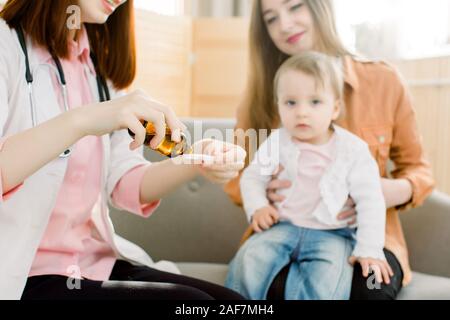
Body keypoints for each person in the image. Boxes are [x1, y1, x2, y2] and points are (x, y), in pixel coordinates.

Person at [0, 0, 245, 300]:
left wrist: (196, 161)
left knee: (233, 303)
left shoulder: (96, 69)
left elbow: (125, 182)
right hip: (22, 273)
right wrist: (81, 121)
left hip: (89, 264)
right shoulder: (6, 46)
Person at [224, 0, 435, 300]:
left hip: (366, 236)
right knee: (267, 285)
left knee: (367, 291)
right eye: (271, 18)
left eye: (294, 6)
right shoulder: (260, 97)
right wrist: (263, 194)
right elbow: (236, 174)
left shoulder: (382, 80)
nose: (284, 24)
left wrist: (386, 191)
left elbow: (420, 170)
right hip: (284, 228)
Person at [226, 51, 392, 300]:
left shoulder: (353, 149)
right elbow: (252, 178)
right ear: (279, 106)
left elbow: (371, 199)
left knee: (327, 283)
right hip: (283, 226)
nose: (302, 112)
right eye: (291, 103)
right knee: (248, 261)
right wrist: (258, 206)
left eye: (315, 102)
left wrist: (369, 248)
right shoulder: (277, 142)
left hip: (333, 234)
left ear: (334, 108)